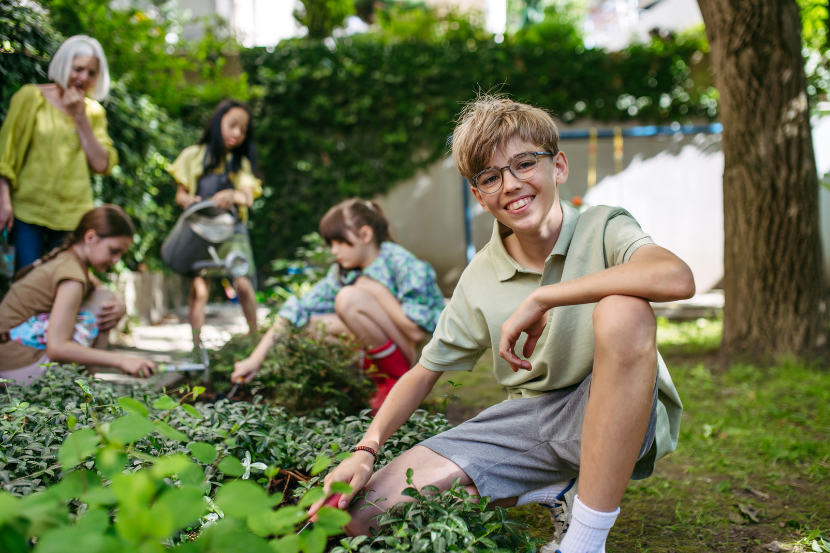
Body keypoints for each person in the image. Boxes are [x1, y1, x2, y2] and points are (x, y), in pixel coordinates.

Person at [308, 96, 693, 553]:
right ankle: (552, 488)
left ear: (558, 167)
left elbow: (675, 277)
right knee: (363, 513)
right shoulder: (480, 276)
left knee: (624, 310)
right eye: (490, 177)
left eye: (524, 164)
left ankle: (584, 541)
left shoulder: (603, 226)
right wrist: (365, 449)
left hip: (614, 408)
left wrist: (545, 296)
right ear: (479, 196)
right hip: (527, 423)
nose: (510, 184)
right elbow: (424, 371)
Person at [231, 198, 446, 411]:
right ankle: (371, 382)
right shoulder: (343, 272)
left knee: (348, 299)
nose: (334, 251)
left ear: (365, 235)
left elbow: (416, 333)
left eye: (340, 242)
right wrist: (255, 359)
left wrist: (377, 291)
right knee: (309, 326)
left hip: (412, 356)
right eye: (331, 243)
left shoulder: (402, 262)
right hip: (387, 348)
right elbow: (297, 309)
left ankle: (397, 380)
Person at [0, 205, 156, 384]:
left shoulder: (66, 259)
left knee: (108, 298)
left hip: (9, 360)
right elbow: (57, 348)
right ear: (90, 238)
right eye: (113, 251)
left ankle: (86, 385)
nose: (116, 260)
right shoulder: (72, 276)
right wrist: (123, 360)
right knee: (105, 301)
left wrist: (120, 304)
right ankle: (86, 385)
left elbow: (100, 287)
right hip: (19, 366)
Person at [0, 35, 118, 271]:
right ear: (64, 65)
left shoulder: (94, 112)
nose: (83, 78)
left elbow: (101, 164)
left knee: (65, 282)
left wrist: (80, 116)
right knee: (28, 282)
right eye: (78, 69)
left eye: (91, 73)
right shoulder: (31, 97)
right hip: (27, 213)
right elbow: (5, 154)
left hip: (73, 218)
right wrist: (3, 201)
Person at [167, 100, 262, 349]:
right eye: (232, 125)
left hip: (232, 230)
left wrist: (232, 195)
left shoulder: (239, 164)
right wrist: (187, 200)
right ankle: (197, 348)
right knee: (199, 288)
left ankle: (255, 340)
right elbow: (180, 194)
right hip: (201, 229)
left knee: (242, 281)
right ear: (218, 121)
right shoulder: (193, 156)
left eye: (243, 130)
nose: (237, 133)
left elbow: (247, 197)